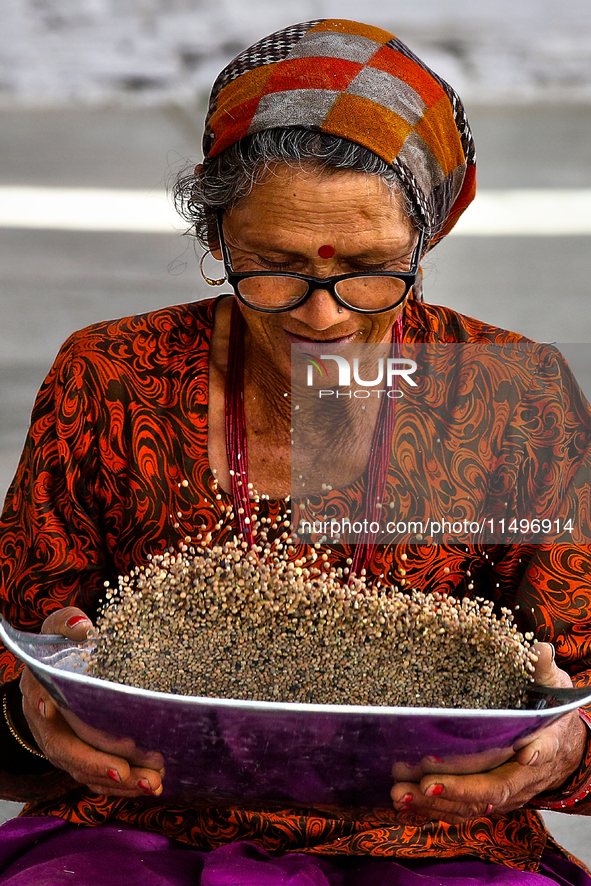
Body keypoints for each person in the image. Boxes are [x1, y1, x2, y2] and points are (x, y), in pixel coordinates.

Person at [0, 17, 591, 886]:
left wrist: (559, 744)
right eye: (270, 266)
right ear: (215, 241)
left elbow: (578, 671)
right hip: (144, 818)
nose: (322, 315)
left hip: (430, 838)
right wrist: (31, 709)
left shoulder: (508, 399)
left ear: (425, 242)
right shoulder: (114, 376)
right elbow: (20, 637)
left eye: (370, 268)